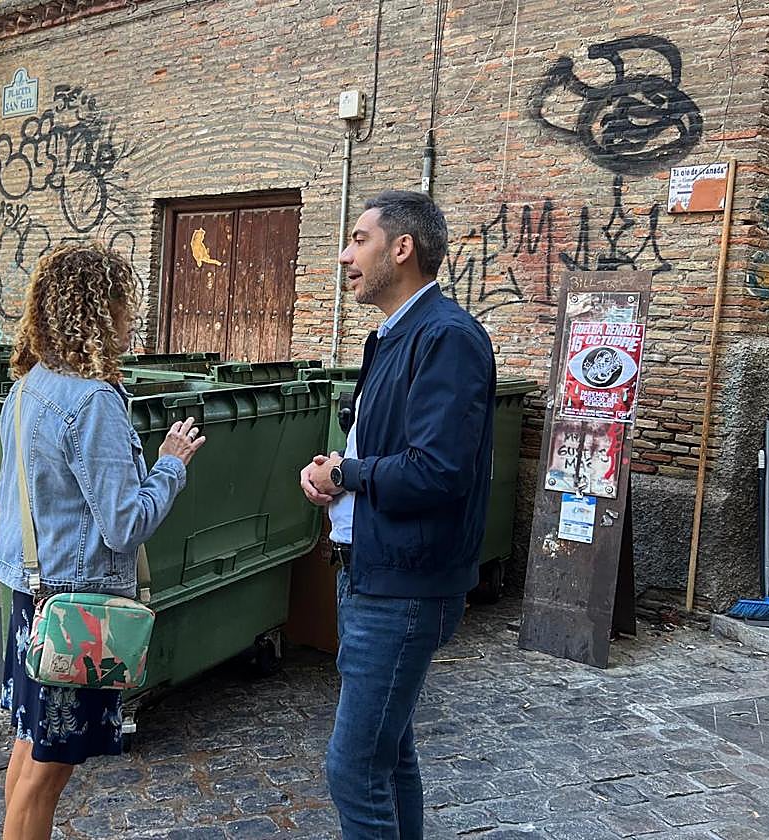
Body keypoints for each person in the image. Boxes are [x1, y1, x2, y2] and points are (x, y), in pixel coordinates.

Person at [299, 190, 496, 839]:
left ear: (401, 248)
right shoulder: (393, 334)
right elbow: (389, 452)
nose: (343, 254)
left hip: (404, 586)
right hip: (371, 573)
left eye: (358, 239)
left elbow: (439, 471)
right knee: (389, 757)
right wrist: (334, 472)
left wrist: (348, 475)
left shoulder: (446, 337)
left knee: (352, 770)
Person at [0, 242, 207, 840]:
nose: (130, 317)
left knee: (29, 749)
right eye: (122, 302)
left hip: (34, 596)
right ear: (97, 309)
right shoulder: (93, 401)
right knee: (48, 771)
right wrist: (170, 464)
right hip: (76, 607)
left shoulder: (30, 385)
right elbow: (125, 523)